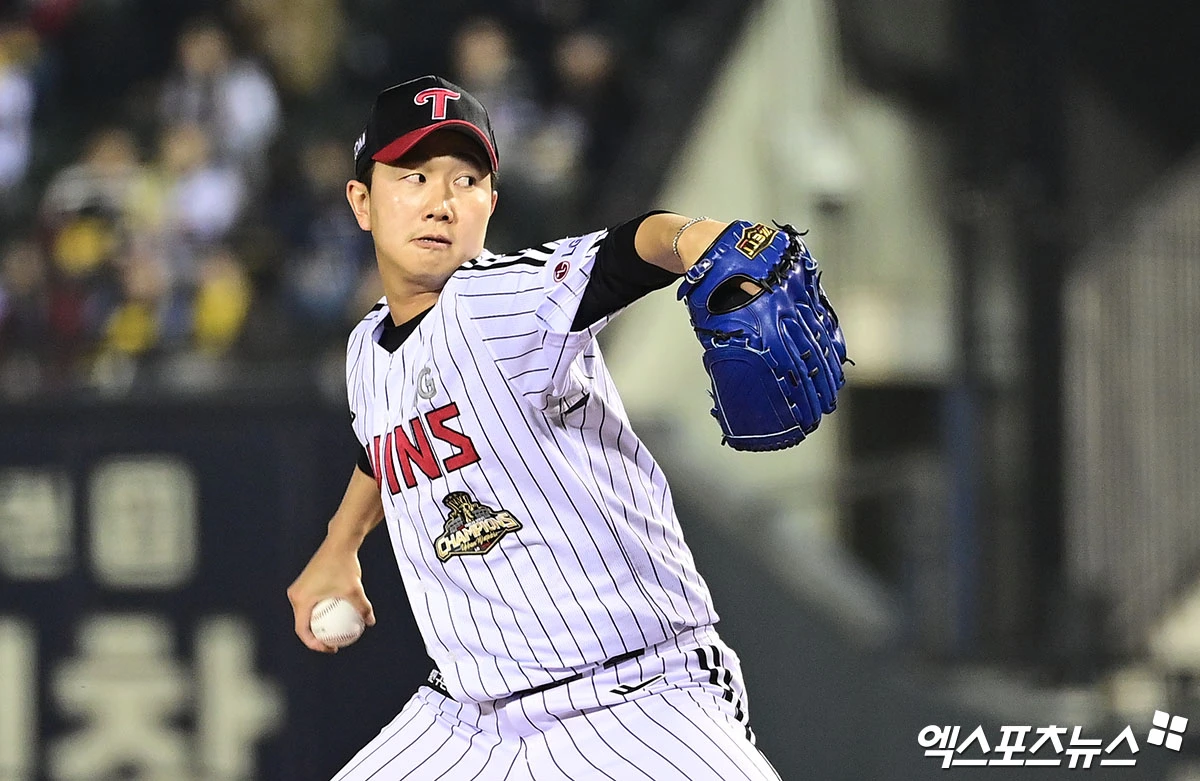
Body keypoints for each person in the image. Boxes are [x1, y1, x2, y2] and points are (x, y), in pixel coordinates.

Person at [287, 75, 783, 780]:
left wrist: (694, 238)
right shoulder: (366, 348)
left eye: (466, 181)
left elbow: (629, 251)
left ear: (490, 204)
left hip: (631, 695)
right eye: (414, 176)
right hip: (463, 719)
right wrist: (340, 544)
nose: (440, 201)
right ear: (361, 202)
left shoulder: (500, 299)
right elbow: (382, 449)